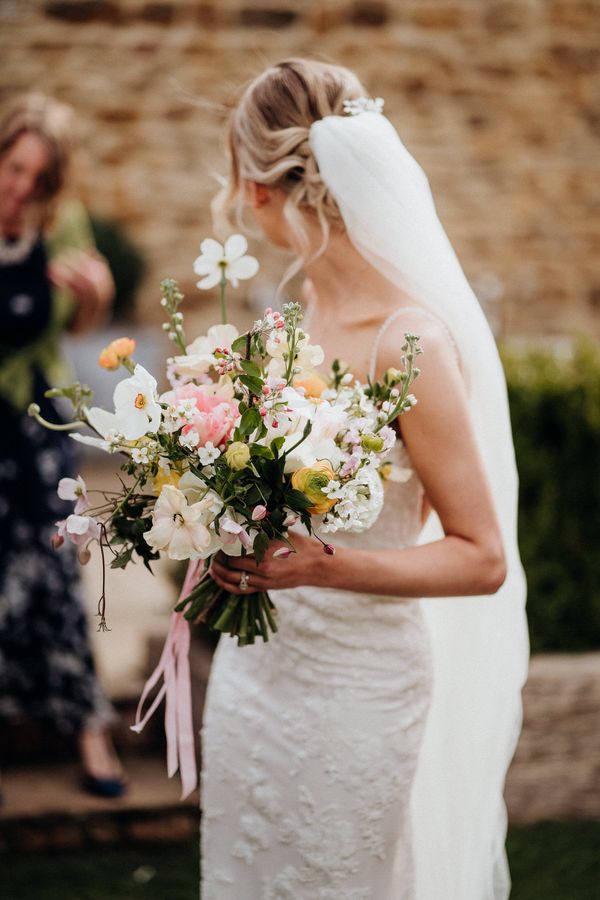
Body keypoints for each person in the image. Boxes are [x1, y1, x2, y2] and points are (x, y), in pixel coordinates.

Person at [202, 59, 529, 899]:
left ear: (263, 186)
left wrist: (326, 565)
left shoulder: (409, 342)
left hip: (359, 690)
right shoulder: (291, 319)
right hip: (254, 680)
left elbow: (482, 556)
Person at [0, 92, 126, 798]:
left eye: (39, 180)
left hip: (40, 417)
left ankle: (89, 731)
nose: (21, 189)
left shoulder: (61, 221)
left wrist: (96, 292)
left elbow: (82, 320)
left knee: (58, 564)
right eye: (14, 169)